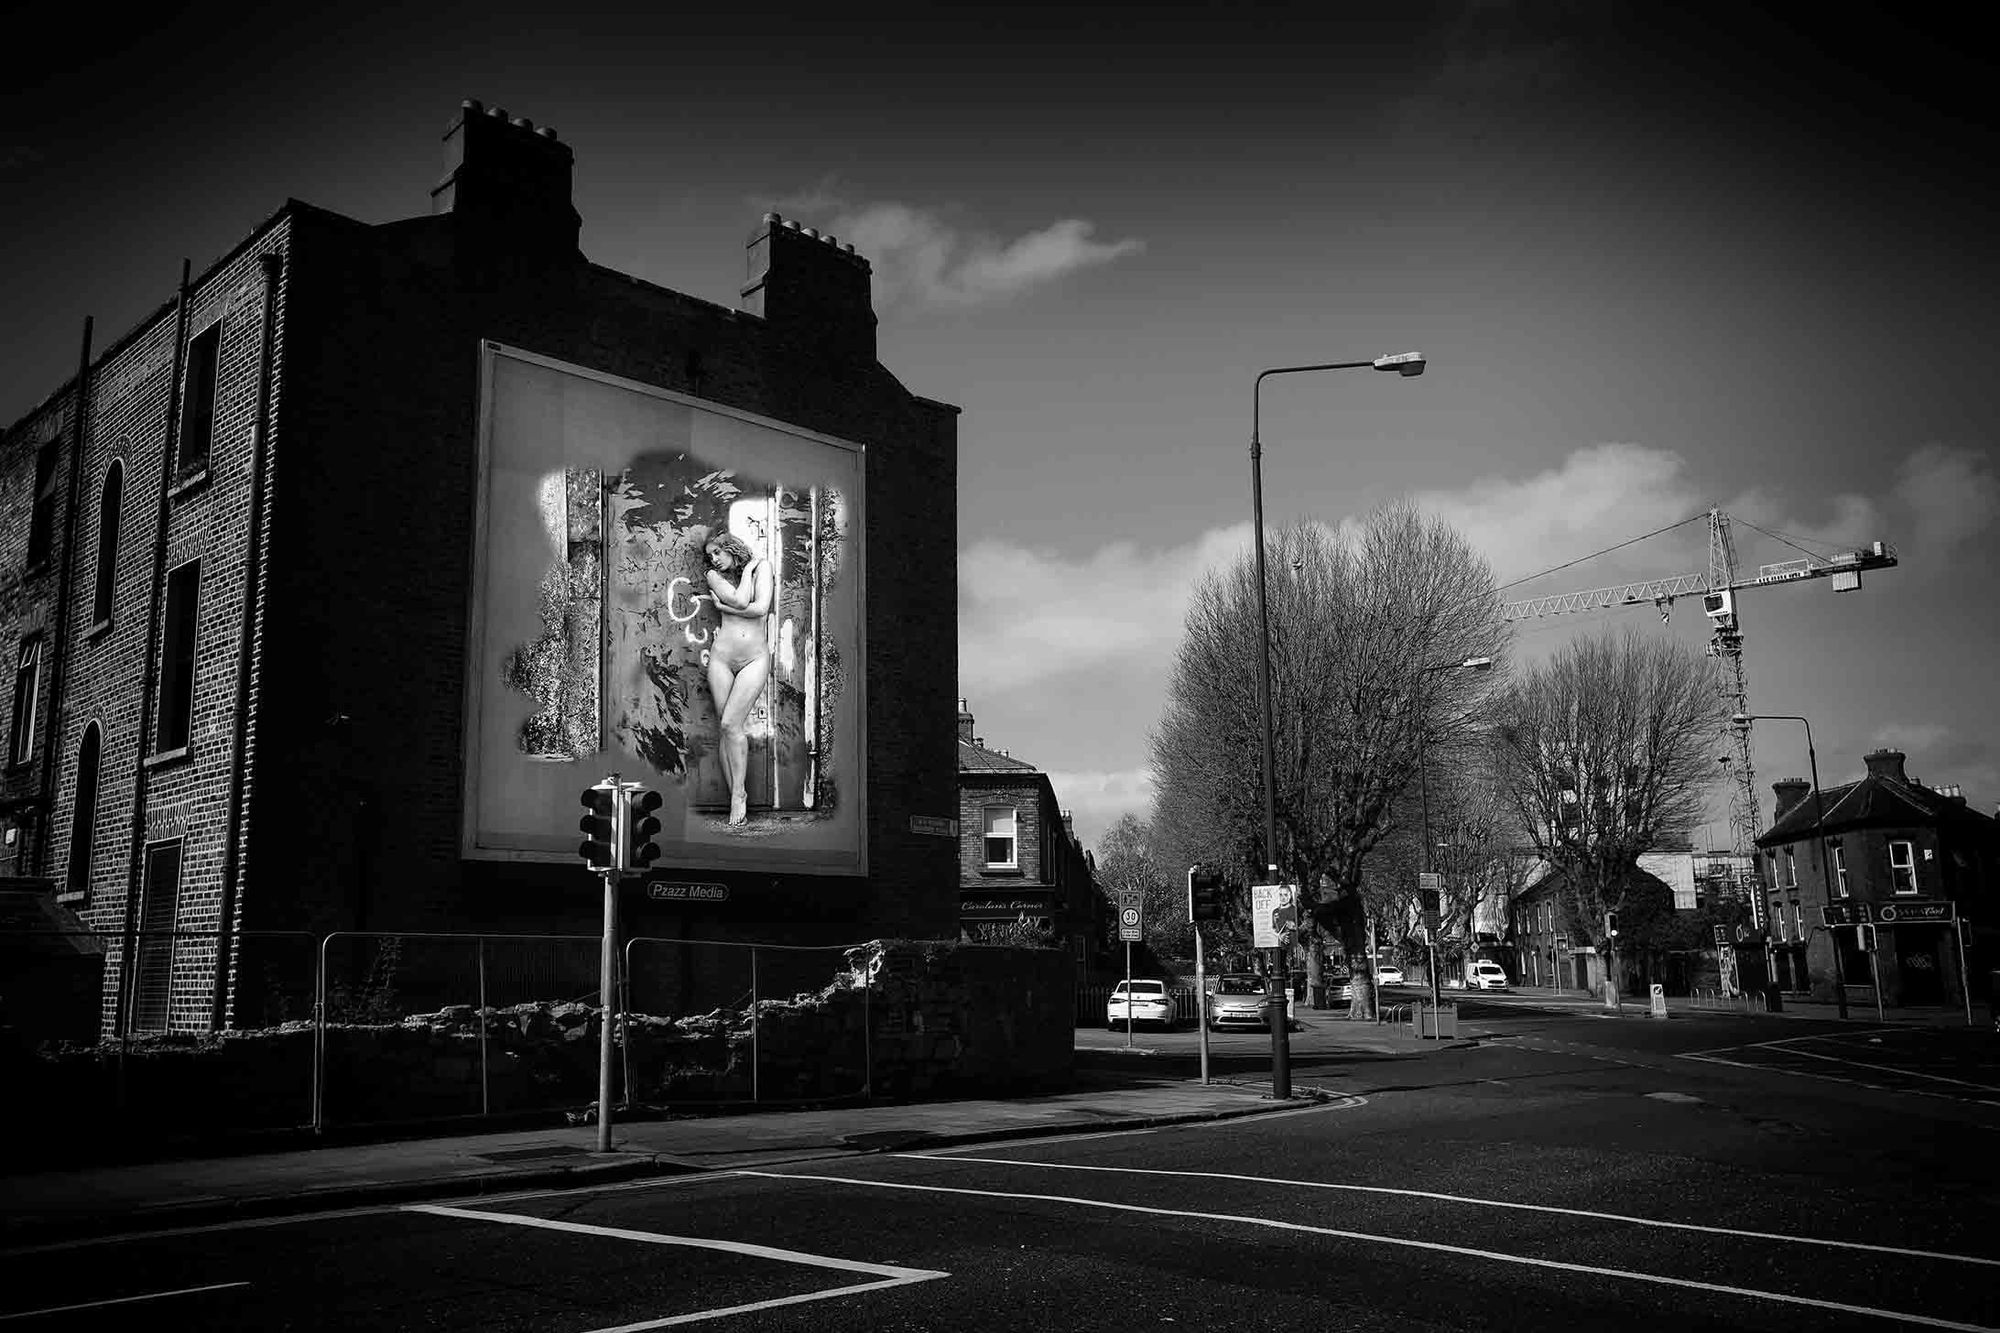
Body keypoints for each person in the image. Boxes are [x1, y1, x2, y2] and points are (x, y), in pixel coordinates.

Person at [702, 532, 772, 825]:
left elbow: (760, 608)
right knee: (725, 728)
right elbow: (744, 600)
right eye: (710, 556)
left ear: (732, 548)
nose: (714, 560)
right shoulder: (713, 577)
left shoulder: (763, 567)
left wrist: (722, 608)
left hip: (754, 659)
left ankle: (739, 795)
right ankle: (736, 796)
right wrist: (745, 575)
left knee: (732, 723)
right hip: (721, 659)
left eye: (717, 553)